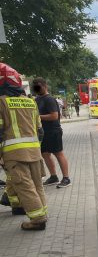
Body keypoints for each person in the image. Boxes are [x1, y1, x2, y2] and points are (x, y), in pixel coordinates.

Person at [0, 63, 48, 230]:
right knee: (36, 185)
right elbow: (40, 131)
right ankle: (39, 212)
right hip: (34, 152)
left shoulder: (2, 103)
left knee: (25, 186)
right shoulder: (30, 102)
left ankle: (38, 220)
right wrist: (35, 148)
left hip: (14, 155)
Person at [33, 77, 71, 188]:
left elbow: (54, 116)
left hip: (53, 131)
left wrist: (37, 117)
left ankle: (66, 178)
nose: (37, 89)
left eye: (38, 87)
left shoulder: (49, 99)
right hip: (43, 132)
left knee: (58, 153)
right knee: (45, 154)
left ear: (45, 86)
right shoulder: (37, 99)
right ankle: (53, 177)